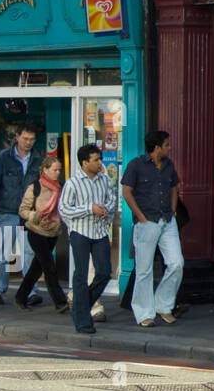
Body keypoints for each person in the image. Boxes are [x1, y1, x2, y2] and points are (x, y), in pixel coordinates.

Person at [122, 130, 184, 327]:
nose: (169, 148)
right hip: (146, 220)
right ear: (157, 148)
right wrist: (139, 216)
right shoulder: (136, 165)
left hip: (167, 219)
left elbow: (174, 186)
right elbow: (126, 191)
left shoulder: (168, 165)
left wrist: (173, 209)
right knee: (144, 269)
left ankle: (163, 305)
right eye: (166, 145)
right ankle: (143, 313)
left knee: (176, 263)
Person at [59, 144, 117, 334]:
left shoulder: (104, 179)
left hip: (100, 231)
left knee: (104, 272)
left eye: (100, 158)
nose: (100, 163)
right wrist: (89, 208)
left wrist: (105, 211)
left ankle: (80, 307)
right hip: (80, 232)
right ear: (85, 163)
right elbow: (64, 209)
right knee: (81, 275)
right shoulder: (72, 183)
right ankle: (83, 321)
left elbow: (112, 199)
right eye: (96, 160)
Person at [0, 124, 42, 306]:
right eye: (25, 138)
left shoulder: (36, 158)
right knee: (2, 254)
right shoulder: (3, 158)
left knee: (29, 254)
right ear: (17, 137)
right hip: (8, 211)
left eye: (32, 139)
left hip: (29, 214)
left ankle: (31, 292)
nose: (28, 143)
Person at [14, 155, 70, 312]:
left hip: (53, 232)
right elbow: (23, 210)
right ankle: (60, 302)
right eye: (54, 170)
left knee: (36, 268)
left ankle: (20, 297)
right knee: (49, 267)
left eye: (59, 170)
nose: (58, 173)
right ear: (45, 170)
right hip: (36, 231)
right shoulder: (35, 187)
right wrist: (35, 215)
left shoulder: (62, 187)